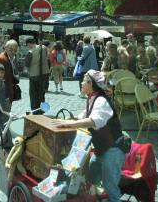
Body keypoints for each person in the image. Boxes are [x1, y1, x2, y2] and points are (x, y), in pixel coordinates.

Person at [53, 70, 126, 202]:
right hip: (100, 150)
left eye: (83, 80)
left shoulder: (101, 100)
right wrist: (72, 119)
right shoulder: (92, 98)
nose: (81, 83)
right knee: (90, 180)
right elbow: (85, 115)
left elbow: (93, 121)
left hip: (113, 150)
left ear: (90, 83)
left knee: (111, 189)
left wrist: (69, 125)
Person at [24, 38, 49, 112]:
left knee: (33, 94)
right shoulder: (44, 47)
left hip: (34, 75)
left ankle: (35, 109)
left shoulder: (30, 52)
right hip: (44, 74)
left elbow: (27, 64)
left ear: (29, 43)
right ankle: (42, 109)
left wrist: (26, 70)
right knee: (42, 92)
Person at [0, 39, 19, 104]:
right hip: (3, 94)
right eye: (11, 50)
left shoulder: (10, 58)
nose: (13, 52)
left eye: (15, 50)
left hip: (8, 92)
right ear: (5, 48)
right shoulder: (1, 59)